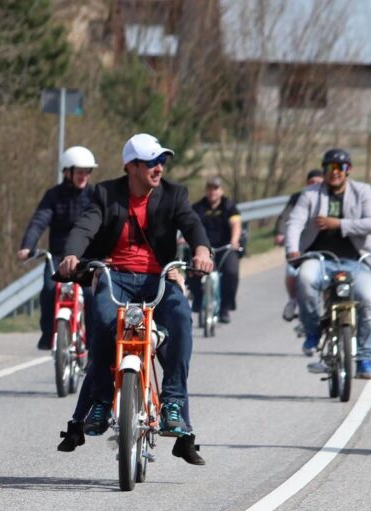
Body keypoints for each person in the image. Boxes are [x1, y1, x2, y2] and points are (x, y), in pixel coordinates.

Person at [58, 133, 213, 465]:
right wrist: (72, 255)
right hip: (116, 278)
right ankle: (100, 402)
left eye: (162, 161)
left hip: (160, 279)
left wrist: (201, 250)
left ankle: (172, 403)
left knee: (182, 318)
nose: (159, 168)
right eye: (151, 162)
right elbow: (84, 227)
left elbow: (192, 225)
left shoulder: (175, 194)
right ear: (131, 166)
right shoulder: (105, 194)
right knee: (100, 321)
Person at [285, 148, 371, 378]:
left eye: (340, 168)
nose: (335, 173)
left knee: (368, 299)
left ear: (348, 170)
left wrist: (339, 224)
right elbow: (294, 222)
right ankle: (312, 332)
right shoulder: (310, 194)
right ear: (325, 170)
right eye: (330, 168)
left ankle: (365, 358)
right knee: (305, 280)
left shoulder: (363, 191)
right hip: (319, 259)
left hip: (355, 261)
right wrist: (292, 249)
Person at [17, 146, 98, 350]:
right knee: (49, 290)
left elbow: (105, 224)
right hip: (57, 257)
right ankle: (47, 334)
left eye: (88, 171)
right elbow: (39, 221)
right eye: (79, 171)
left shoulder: (96, 195)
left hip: (85, 257)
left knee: (90, 296)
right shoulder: (53, 195)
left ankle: (93, 342)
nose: (84, 176)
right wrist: (28, 246)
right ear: (67, 172)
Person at [188, 175, 242, 324]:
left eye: (216, 188)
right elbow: (191, 226)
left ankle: (225, 307)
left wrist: (234, 240)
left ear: (221, 190)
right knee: (194, 270)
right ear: (206, 190)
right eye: (210, 188)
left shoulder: (229, 206)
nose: (212, 191)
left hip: (226, 247)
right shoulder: (198, 207)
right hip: (204, 249)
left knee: (231, 271)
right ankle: (198, 299)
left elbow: (235, 224)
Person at [275, 169, 323, 321]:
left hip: (322, 244)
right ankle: (292, 300)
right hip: (301, 244)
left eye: (318, 182)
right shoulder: (298, 198)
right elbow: (286, 217)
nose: (315, 185)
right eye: (311, 182)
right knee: (291, 272)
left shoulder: (328, 197)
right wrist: (281, 233)